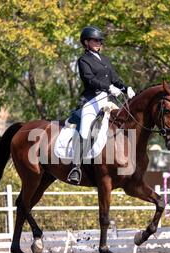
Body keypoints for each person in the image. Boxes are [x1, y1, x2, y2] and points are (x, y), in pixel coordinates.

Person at [67, 26, 136, 184]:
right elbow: (89, 79)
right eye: (95, 40)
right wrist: (108, 87)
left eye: (100, 41)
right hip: (91, 101)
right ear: (86, 42)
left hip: (106, 101)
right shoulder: (83, 60)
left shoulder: (104, 59)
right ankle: (75, 167)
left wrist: (126, 88)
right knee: (85, 130)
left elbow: (115, 79)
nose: (99, 43)